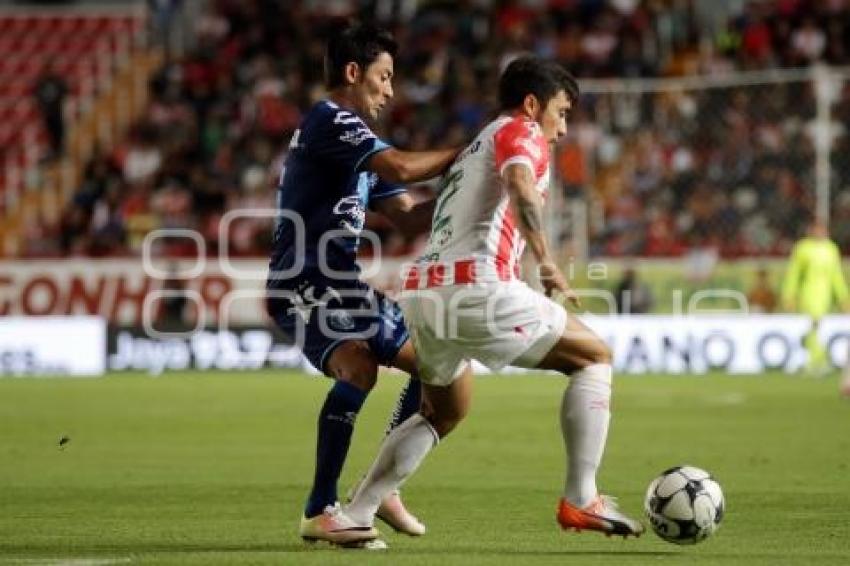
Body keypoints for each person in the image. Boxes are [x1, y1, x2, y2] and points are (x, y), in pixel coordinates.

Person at [343, 56, 644, 546]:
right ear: (532, 104)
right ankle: (581, 496)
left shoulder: (474, 147)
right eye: (561, 112)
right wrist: (546, 260)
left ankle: (359, 510)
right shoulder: (519, 131)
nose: (562, 128)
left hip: (424, 294)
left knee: (442, 411)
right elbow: (521, 184)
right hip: (477, 287)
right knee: (594, 358)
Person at [264, 22, 462, 546]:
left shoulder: (359, 147)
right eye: (384, 76)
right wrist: (468, 151)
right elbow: (400, 163)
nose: (391, 89)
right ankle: (322, 509)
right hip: (303, 281)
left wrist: (472, 193)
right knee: (367, 364)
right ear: (354, 73)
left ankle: (382, 486)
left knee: (429, 361)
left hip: (340, 282)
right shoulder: (331, 121)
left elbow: (410, 218)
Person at [781, 219, 849, 375]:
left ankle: (815, 361)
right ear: (811, 231)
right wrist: (789, 295)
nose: (820, 232)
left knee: (818, 328)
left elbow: (836, 276)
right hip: (808, 293)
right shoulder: (803, 248)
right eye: (817, 229)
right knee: (813, 325)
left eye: (823, 230)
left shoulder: (831, 249)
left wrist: (843, 298)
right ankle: (817, 361)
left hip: (826, 295)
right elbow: (794, 273)